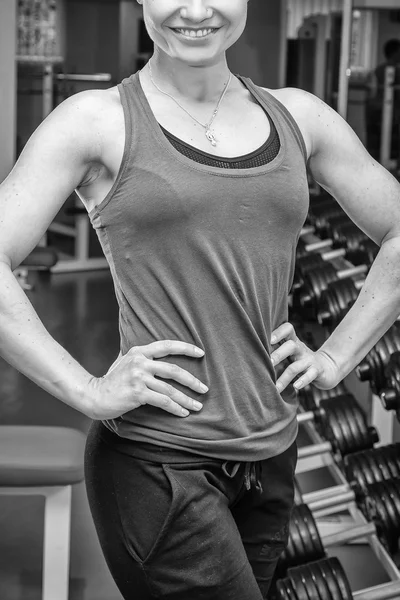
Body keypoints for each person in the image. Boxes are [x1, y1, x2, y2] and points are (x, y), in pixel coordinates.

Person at [1, 1, 400, 598]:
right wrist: (87, 390)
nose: (195, 9)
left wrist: (337, 358)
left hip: (273, 453)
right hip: (158, 463)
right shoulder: (96, 120)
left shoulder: (300, 116)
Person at [366, 38, 400, 161]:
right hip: (388, 114)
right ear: (394, 52)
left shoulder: (379, 69)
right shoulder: (394, 70)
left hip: (376, 112)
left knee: (377, 146)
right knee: (389, 147)